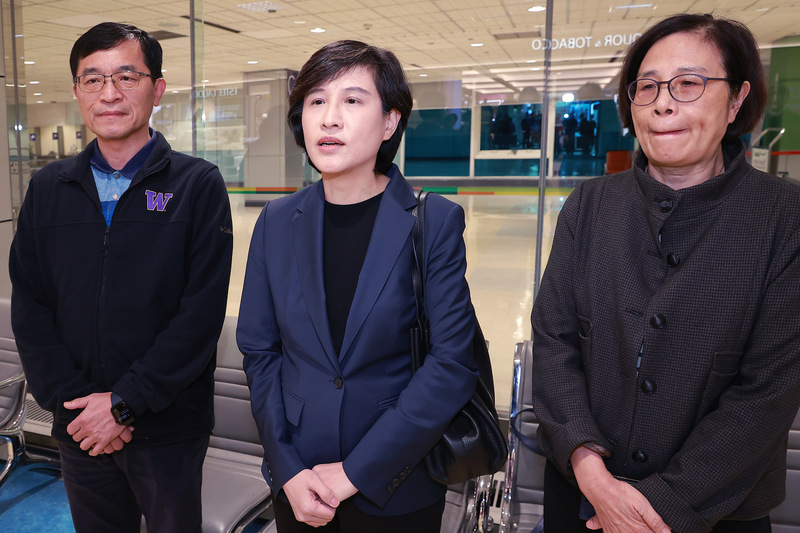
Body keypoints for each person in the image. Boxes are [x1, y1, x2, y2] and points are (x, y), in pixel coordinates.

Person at [531, 13, 800, 533]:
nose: (662, 103)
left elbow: (768, 390)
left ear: (737, 99)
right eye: (648, 86)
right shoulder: (589, 205)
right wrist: (591, 471)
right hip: (583, 498)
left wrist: (654, 507)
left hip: (720, 510)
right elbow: (554, 342)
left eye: (689, 84)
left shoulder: (784, 218)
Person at [237, 40, 478, 532]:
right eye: (316, 101)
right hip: (298, 480)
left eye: (351, 100)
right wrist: (287, 468)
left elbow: (452, 364)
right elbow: (260, 352)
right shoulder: (277, 221)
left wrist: (355, 472)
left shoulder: (434, 220)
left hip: (397, 483)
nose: (329, 118)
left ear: (390, 122)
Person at [9, 22, 233, 533]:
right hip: (80, 424)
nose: (109, 94)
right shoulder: (49, 188)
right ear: (77, 91)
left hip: (166, 427)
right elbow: (31, 306)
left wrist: (125, 403)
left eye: (126, 77)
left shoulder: (196, 184)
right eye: (93, 79)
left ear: (157, 89)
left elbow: (199, 315)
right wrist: (75, 405)